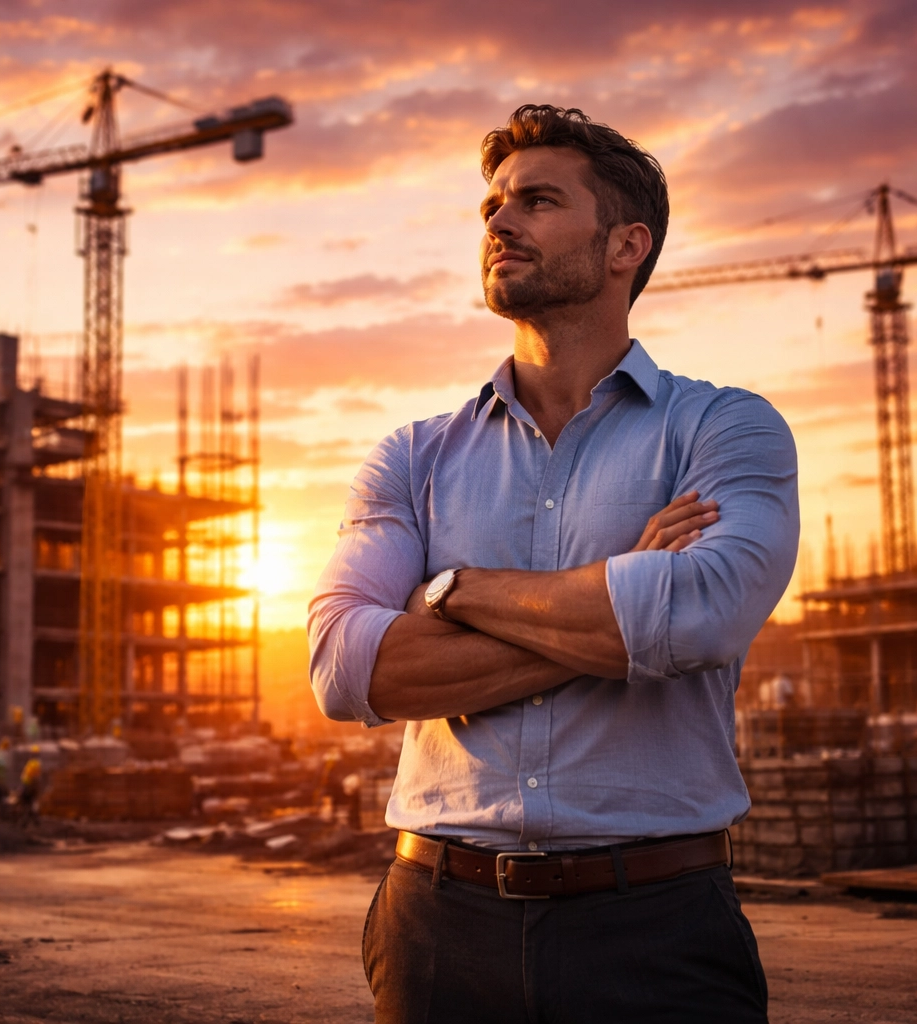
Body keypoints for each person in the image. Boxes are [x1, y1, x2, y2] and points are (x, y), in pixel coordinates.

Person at [309, 104, 798, 1021]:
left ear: (626, 246)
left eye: (536, 200)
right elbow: (346, 668)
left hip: (655, 928)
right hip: (438, 927)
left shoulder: (724, 428)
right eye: (492, 205)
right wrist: (622, 599)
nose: (497, 222)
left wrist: (452, 593)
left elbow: (703, 612)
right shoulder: (412, 457)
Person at [17, 745, 42, 826]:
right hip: (30, 785)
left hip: (28, 785)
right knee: (30, 804)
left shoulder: (33, 763)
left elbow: (32, 776)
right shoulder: (35, 763)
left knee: (26, 803)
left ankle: (27, 821)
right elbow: (36, 776)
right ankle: (33, 820)